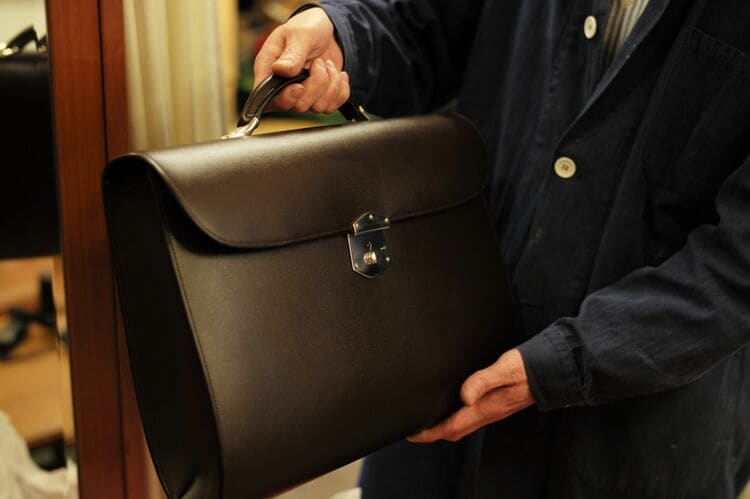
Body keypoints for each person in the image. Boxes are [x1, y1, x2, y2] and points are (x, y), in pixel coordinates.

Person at [253, 1, 750, 497]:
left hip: (633, 441)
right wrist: (342, 35)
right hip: (440, 385)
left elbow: (738, 264)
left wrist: (570, 361)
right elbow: (421, 24)